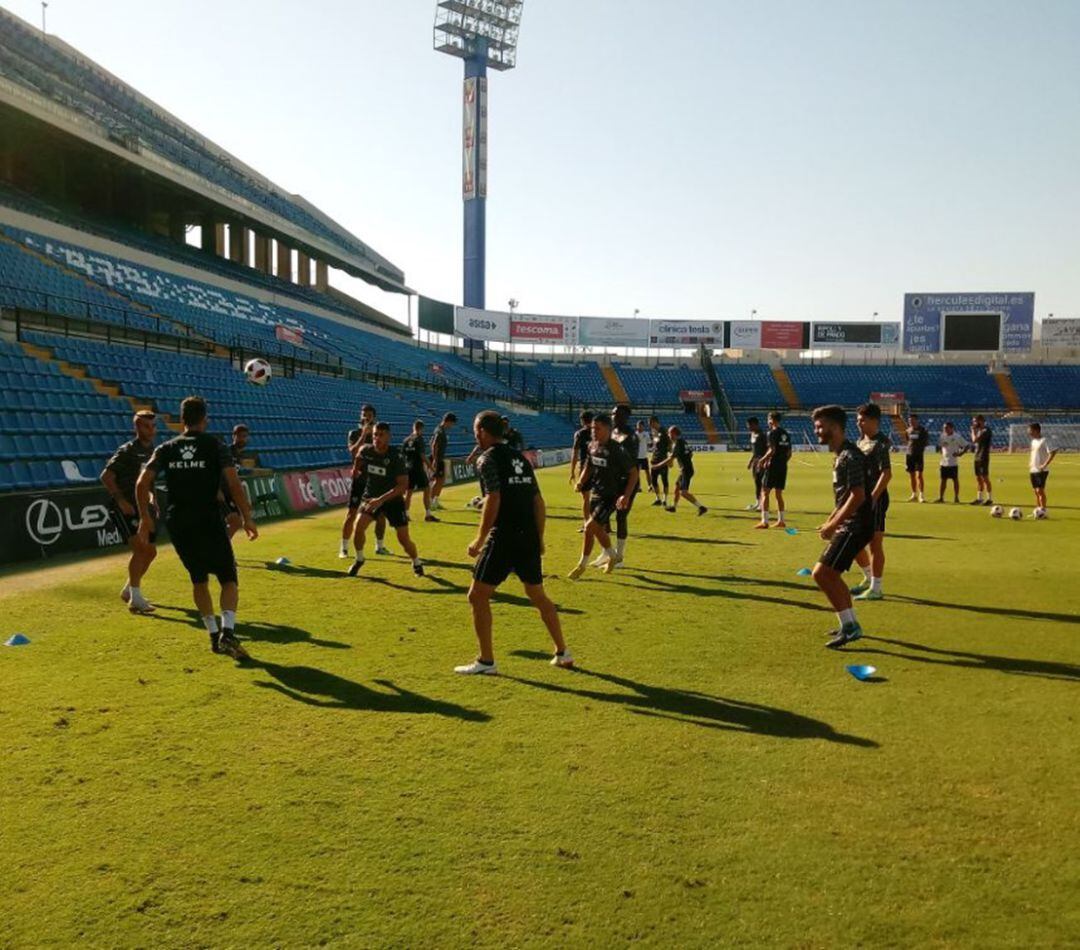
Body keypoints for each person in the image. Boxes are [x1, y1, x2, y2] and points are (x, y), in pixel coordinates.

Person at [135, 396, 258, 659]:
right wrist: (247, 517)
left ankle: (214, 635)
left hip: (179, 522)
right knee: (228, 578)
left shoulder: (166, 448)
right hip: (208, 519)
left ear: (181, 420)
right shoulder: (215, 445)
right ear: (205, 419)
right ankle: (228, 632)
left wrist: (145, 518)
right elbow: (234, 485)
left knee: (198, 578)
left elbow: (141, 484)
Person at [455, 411, 573, 675]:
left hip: (504, 536)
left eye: (476, 429)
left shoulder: (487, 460)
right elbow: (538, 502)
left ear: (483, 431)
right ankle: (563, 652)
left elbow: (494, 498)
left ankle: (486, 661)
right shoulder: (520, 458)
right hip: (528, 536)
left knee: (477, 595)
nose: (475, 434)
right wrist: (539, 538)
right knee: (537, 595)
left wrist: (479, 539)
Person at [808, 405, 873, 649]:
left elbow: (858, 496)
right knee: (830, 574)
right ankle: (849, 623)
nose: (817, 431)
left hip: (856, 525)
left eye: (820, 426)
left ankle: (850, 625)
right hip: (850, 524)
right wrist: (830, 520)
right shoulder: (842, 456)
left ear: (835, 427)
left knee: (822, 573)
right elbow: (845, 496)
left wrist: (834, 524)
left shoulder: (851, 456)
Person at [347, 422, 424, 578]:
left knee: (404, 540)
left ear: (388, 437)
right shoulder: (366, 450)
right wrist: (355, 469)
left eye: (381, 435)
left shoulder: (396, 456)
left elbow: (403, 486)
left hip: (393, 501)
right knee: (358, 527)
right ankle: (359, 559)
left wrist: (380, 500)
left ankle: (416, 561)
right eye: (375, 434)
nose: (377, 438)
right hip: (371, 497)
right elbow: (357, 455)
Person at [101, 409, 159, 615]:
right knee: (141, 549)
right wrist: (121, 500)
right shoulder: (127, 451)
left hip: (142, 506)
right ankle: (135, 599)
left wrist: (154, 501)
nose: (151, 430)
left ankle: (128, 590)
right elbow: (106, 476)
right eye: (146, 425)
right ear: (137, 427)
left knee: (151, 551)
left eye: (153, 426)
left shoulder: (153, 450)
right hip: (125, 506)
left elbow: (148, 481)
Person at [568, 412, 638, 578]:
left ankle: (581, 565)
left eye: (597, 429)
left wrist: (626, 495)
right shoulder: (592, 445)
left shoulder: (617, 450)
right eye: (592, 428)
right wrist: (581, 481)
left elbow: (634, 473)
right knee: (597, 530)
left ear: (608, 430)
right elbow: (589, 465)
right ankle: (613, 556)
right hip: (596, 493)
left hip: (611, 496)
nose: (593, 431)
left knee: (589, 527)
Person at [849, 404, 892, 601]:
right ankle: (868, 577)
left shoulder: (881, 443)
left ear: (874, 420)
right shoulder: (861, 441)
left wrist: (873, 498)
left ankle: (876, 587)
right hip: (860, 498)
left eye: (862, 420)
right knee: (854, 541)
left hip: (875, 499)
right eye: (858, 420)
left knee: (875, 544)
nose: (858, 423)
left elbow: (886, 473)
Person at [340, 406, 389, 558]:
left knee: (381, 515)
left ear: (374, 417)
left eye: (369, 415)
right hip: (360, 480)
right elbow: (353, 452)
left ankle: (379, 546)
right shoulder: (354, 433)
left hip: (376, 482)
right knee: (351, 514)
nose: (366, 418)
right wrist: (363, 435)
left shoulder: (378, 435)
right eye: (364, 415)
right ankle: (344, 548)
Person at [597, 403, 640, 567]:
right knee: (603, 517)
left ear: (626, 417)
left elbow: (630, 465)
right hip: (611, 482)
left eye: (618, 415)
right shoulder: (612, 433)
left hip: (626, 482)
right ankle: (606, 553)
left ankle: (619, 557)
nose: (614, 417)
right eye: (613, 414)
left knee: (621, 517)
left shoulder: (631, 437)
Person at [652, 425, 707, 515]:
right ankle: (674, 507)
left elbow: (670, 459)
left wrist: (657, 466)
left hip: (686, 470)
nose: (668, 435)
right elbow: (690, 454)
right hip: (686, 469)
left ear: (673, 433)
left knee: (683, 492)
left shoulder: (677, 444)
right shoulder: (683, 442)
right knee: (677, 487)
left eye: (669, 433)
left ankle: (701, 507)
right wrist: (684, 460)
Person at [757, 411, 791, 529]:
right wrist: (782, 462)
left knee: (765, 492)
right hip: (783, 466)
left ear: (771, 419)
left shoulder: (772, 433)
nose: (767, 421)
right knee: (778, 494)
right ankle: (781, 520)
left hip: (772, 466)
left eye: (768, 419)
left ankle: (764, 521)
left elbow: (772, 450)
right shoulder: (786, 433)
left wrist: (762, 460)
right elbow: (789, 453)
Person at [220, 424, 252, 540]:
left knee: (236, 522)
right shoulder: (227, 452)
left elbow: (235, 478)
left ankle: (223, 548)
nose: (242, 439)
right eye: (240, 436)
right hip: (220, 492)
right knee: (235, 521)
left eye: (245, 436)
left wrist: (243, 500)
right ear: (233, 436)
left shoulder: (238, 455)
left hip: (229, 493)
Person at [402, 419, 437, 522]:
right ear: (421, 428)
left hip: (408, 469)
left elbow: (402, 456)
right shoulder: (419, 439)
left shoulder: (406, 440)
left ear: (414, 427)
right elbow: (422, 456)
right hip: (417, 468)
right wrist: (431, 468)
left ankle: (406, 514)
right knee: (426, 490)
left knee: (409, 492)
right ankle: (428, 514)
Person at [569, 410, 594, 531]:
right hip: (600, 467)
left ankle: (587, 523)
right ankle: (604, 524)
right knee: (601, 496)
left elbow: (575, 453)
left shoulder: (580, 434)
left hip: (585, 468)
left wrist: (572, 471)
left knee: (586, 498)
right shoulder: (598, 431)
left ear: (582, 421)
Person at [429, 412, 456, 510]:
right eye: (452, 423)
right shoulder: (439, 431)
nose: (452, 426)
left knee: (441, 480)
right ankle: (430, 502)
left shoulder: (441, 430)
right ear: (448, 421)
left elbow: (430, 442)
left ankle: (435, 500)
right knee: (437, 480)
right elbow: (434, 444)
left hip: (440, 458)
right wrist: (435, 459)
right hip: (437, 459)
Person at [1028, 422, 1057, 515]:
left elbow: (1053, 451)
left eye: (1030, 430)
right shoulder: (1033, 441)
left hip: (1042, 470)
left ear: (1036, 430)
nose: (1028, 432)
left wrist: (1044, 464)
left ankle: (1044, 510)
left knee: (1040, 490)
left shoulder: (1044, 440)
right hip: (1033, 469)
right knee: (1036, 491)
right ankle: (1038, 510)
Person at [935, 421, 967, 503]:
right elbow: (940, 445)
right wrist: (940, 451)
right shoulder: (942, 436)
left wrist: (960, 453)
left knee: (955, 480)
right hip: (943, 462)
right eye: (944, 428)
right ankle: (941, 498)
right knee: (943, 480)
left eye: (946, 428)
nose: (945, 429)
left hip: (953, 463)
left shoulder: (957, 437)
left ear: (951, 428)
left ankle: (956, 498)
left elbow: (966, 446)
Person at [969, 415, 994, 506]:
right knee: (978, 478)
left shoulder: (986, 430)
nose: (974, 423)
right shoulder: (980, 430)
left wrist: (972, 431)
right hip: (977, 456)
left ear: (981, 421)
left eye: (975, 421)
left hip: (983, 457)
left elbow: (974, 440)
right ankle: (979, 498)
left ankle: (989, 499)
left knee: (985, 478)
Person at [904, 413, 929, 502]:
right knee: (912, 475)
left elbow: (926, 442)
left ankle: (921, 495)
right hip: (909, 455)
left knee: (919, 475)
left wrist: (919, 449)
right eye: (909, 420)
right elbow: (908, 441)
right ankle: (914, 494)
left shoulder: (923, 430)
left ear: (916, 420)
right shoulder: (907, 430)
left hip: (918, 455)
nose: (911, 422)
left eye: (912, 420)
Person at [648, 415, 671, 507]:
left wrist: (669, 455)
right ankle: (658, 499)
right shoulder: (653, 432)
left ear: (655, 422)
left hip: (663, 460)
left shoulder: (664, 431)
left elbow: (669, 444)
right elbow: (655, 445)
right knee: (654, 480)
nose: (650, 426)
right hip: (654, 459)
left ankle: (665, 500)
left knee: (664, 480)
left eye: (650, 423)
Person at [746, 416, 767, 511]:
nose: (748, 427)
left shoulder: (762, 435)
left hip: (762, 461)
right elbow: (754, 451)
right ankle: (758, 503)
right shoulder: (752, 434)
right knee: (757, 482)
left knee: (761, 482)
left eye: (749, 425)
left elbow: (767, 449)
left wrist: (764, 461)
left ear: (755, 424)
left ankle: (762, 504)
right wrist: (751, 461)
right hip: (755, 461)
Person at [635, 420, 652, 494]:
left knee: (647, 472)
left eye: (641, 425)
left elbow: (649, 443)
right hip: (636, 456)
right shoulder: (634, 434)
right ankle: (638, 487)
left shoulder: (646, 434)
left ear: (643, 426)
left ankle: (650, 486)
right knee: (637, 473)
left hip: (644, 456)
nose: (639, 427)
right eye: (638, 425)